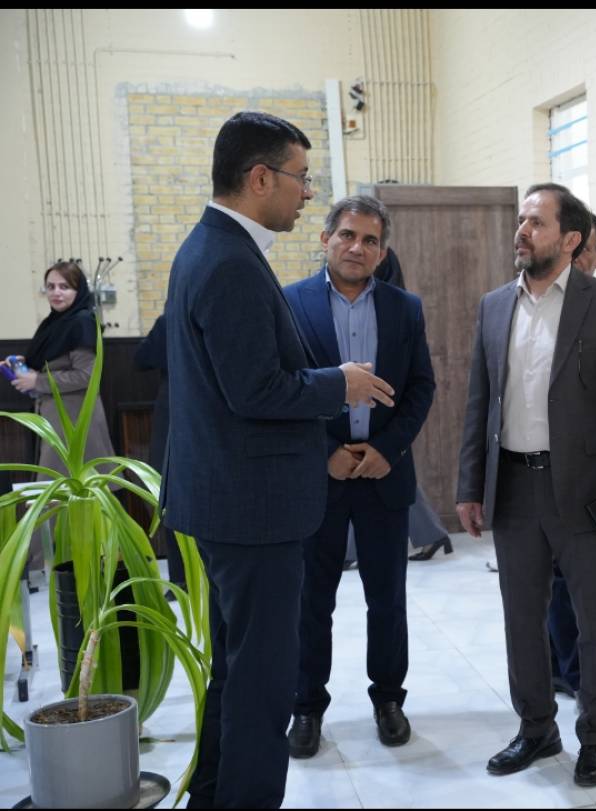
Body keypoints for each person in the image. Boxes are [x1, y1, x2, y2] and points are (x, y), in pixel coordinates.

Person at [163, 111, 394, 809]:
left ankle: (213, 796)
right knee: (263, 687)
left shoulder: (212, 247)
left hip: (232, 503)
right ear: (260, 178)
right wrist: (339, 383)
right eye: (300, 177)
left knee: (237, 673)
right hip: (253, 511)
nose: (306, 192)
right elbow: (255, 390)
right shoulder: (230, 262)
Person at [456, 184, 596, 788]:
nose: (522, 231)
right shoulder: (494, 306)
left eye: (536, 222)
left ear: (570, 240)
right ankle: (536, 727)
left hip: (584, 490)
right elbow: (480, 403)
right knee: (522, 618)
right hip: (513, 488)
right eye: (521, 220)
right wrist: (470, 485)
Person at [282, 195, 435, 758]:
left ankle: (389, 699)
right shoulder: (289, 303)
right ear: (326, 239)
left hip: (382, 476)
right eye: (347, 235)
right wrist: (325, 451)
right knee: (311, 601)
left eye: (370, 240)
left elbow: (421, 387)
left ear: (382, 252)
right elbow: (285, 388)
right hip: (317, 479)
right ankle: (306, 707)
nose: (357, 247)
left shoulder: (404, 308)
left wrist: (387, 450)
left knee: (386, 599)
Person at [546, 211, 596, 699]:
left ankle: (580, 673)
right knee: (542, 581)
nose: (573, 256)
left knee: (579, 585)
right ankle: (552, 666)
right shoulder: (529, 305)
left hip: (585, 476)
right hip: (531, 472)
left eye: (583, 249)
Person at [371, 246, 454, 563]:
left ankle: (431, 533)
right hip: (386, 401)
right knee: (385, 472)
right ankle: (431, 534)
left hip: (387, 404)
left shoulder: (396, 309)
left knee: (387, 468)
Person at [5, 262, 116, 477]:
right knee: (59, 484)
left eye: (64, 287)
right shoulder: (55, 322)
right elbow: (56, 359)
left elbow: (86, 375)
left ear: (78, 290)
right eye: (51, 286)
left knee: (72, 484)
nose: (56, 292)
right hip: (57, 415)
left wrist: (37, 381)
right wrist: (27, 362)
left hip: (75, 417)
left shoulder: (81, 322)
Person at [133, 313, 186, 597]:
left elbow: (142, 358)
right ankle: (187, 577)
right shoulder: (172, 320)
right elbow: (141, 360)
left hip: (175, 413)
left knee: (172, 496)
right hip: (191, 413)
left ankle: (181, 579)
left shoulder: (171, 319)